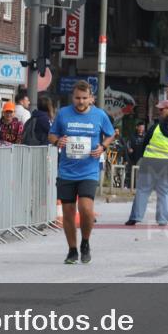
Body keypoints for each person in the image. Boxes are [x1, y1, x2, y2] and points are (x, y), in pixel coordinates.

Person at [48, 81, 115, 265]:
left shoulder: (99, 115)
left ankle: (85, 241)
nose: (81, 101)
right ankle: (72, 250)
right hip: (66, 171)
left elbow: (110, 134)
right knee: (68, 213)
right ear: (73, 97)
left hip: (88, 171)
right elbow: (52, 134)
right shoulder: (63, 114)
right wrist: (57, 141)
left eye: (84, 98)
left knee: (85, 209)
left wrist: (103, 147)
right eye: (77, 98)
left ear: (91, 98)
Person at [125, 101, 168, 227]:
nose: (159, 112)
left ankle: (135, 217)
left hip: (150, 162)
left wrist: (142, 157)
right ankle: (163, 220)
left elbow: (145, 143)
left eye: (161, 110)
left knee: (142, 190)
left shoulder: (156, 127)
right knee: (165, 193)